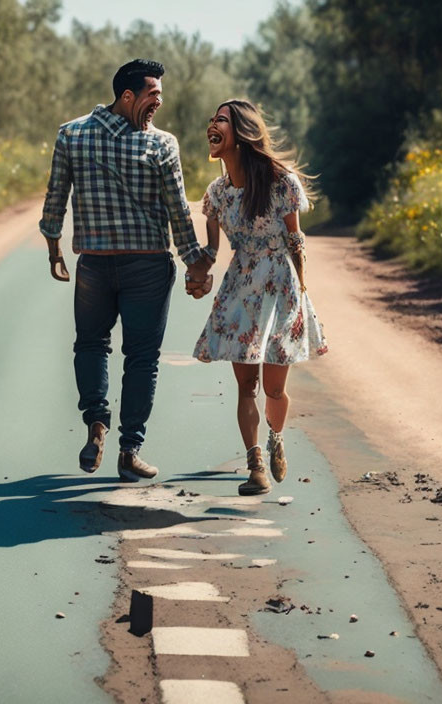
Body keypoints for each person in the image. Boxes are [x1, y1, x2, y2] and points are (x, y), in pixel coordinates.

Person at [39, 59, 213, 482]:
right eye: (153, 94)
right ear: (128, 96)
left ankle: (96, 422)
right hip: (146, 268)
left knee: (91, 345)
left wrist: (54, 248)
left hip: (94, 266)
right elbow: (177, 211)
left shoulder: (72, 133)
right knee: (141, 359)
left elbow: (55, 199)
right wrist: (195, 264)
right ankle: (128, 449)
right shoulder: (160, 145)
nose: (159, 102)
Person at [188, 99, 328, 496]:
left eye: (221, 120)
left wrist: (302, 296)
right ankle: (255, 466)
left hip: (280, 288)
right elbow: (212, 253)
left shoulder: (280, 181)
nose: (212, 126)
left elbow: (296, 240)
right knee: (245, 386)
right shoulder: (216, 194)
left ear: (242, 133)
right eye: (211, 119)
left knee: (274, 389)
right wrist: (198, 273)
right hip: (240, 291)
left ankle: (276, 438)